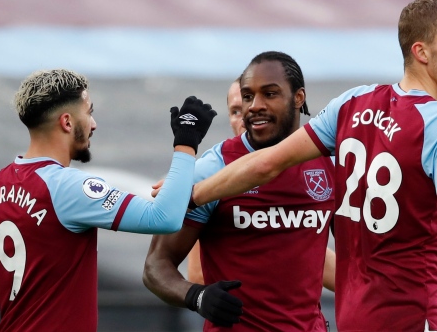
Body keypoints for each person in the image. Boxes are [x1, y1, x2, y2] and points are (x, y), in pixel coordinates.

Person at [187, 0, 437, 332]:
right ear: (421, 52)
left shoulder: (352, 102)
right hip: (407, 315)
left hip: (353, 316)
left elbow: (266, 162)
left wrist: (192, 194)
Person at [0, 69, 217, 332]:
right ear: (67, 122)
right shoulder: (69, 187)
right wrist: (186, 142)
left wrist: (24, 276)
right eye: (89, 112)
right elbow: (164, 217)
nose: (93, 124)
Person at [143, 51, 336, 331]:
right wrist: (196, 296)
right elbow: (155, 266)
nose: (254, 106)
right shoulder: (212, 169)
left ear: (298, 98)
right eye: (247, 97)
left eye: (269, 94)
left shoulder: (329, 163)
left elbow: (338, 263)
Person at [186, 76, 246, 285]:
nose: (246, 119)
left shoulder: (313, 163)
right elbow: (197, 275)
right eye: (236, 111)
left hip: (306, 318)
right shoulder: (209, 170)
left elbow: (316, 258)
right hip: (235, 313)